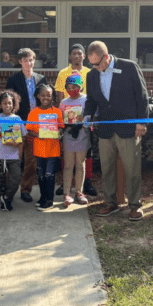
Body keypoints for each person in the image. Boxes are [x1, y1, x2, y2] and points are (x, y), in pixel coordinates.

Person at [81, 41, 149, 221]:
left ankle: (135, 205)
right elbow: (91, 100)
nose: (95, 67)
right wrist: (87, 115)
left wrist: (141, 122)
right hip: (105, 128)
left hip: (128, 127)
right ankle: (110, 202)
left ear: (106, 56)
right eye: (91, 64)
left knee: (132, 168)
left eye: (97, 63)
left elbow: (142, 95)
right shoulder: (92, 75)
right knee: (107, 167)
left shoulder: (129, 67)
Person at [54, 43, 97, 197]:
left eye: (80, 53)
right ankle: (66, 187)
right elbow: (60, 97)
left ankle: (86, 184)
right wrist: (64, 119)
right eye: (74, 53)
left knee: (86, 157)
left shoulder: (91, 72)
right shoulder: (63, 73)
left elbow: (93, 99)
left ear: (84, 56)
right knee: (68, 159)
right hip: (68, 125)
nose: (77, 56)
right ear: (70, 56)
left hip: (84, 126)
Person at [5, 48, 48, 203]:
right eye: (25, 60)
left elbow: (46, 100)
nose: (28, 63)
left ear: (34, 60)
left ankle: (25, 189)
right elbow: (8, 102)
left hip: (34, 125)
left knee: (30, 160)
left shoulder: (42, 79)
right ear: (20, 62)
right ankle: (8, 190)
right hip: (16, 123)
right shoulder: (13, 79)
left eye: (31, 60)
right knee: (13, 157)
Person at [25, 84, 64, 210]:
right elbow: (29, 130)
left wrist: (59, 134)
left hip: (52, 149)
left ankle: (49, 200)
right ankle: (43, 197)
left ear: (53, 97)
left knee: (49, 174)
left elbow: (61, 128)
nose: (46, 98)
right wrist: (36, 134)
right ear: (38, 96)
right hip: (39, 148)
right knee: (40, 174)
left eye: (49, 95)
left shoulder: (57, 112)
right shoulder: (33, 112)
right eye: (43, 95)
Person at [58, 72, 90, 207]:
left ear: (81, 87)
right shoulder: (64, 102)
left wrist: (84, 119)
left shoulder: (87, 100)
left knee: (80, 165)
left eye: (74, 87)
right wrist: (62, 126)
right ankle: (67, 193)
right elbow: (60, 119)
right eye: (68, 87)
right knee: (68, 165)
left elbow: (92, 115)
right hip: (68, 136)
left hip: (82, 135)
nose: (71, 90)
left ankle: (79, 192)